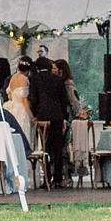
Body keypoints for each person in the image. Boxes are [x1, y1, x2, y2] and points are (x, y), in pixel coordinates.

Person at [26, 59, 70, 188]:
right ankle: (58, 178)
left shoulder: (35, 80)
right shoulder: (58, 80)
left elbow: (33, 99)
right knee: (57, 147)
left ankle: (47, 177)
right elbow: (64, 101)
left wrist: (34, 115)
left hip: (43, 117)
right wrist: (64, 118)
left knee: (45, 147)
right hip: (57, 116)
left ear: (38, 68)